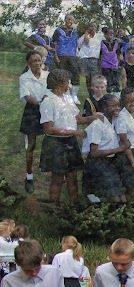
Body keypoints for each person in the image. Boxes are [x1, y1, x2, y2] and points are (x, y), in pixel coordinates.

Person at [40, 69, 93, 204]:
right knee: (57, 178)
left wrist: (95, 117)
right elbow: (49, 129)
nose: (70, 84)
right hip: (55, 143)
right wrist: (75, 133)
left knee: (72, 176)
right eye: (68, 81)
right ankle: (53, 209)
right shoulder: (48, 101)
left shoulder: (68, 98)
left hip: (70, 141)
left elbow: (79, 119)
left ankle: (74, 206)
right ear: (60, 83)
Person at [82, 94, 130, 202]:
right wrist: (119, 149)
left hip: (110, 163)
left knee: (122, 197)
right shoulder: (97, 125)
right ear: (104, 108)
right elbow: (94, 152)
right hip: (97, 164)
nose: (117, 108)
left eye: (118, 105)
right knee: (115, 199)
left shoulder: (114, 121)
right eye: (113, 106)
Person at [19, 50, 49, 194]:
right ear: (28, 64)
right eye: (33, 61)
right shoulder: (24, 78)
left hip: (48, 111)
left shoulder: (48, 75)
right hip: (32, 111)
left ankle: (55, 171)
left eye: (39, 60)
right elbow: (27, 96)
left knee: (52, 142)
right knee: (31, 146)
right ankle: (29, 176)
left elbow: (53, 91)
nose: (37, 63)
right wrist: (40, 103)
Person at [52, 14, 80, 99]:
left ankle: (74, 95)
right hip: (61, 56)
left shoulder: (75, 31)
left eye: (72, 20)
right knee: (62, 75)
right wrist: (56, 56)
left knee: (75, 75)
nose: (70, 21)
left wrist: (78, 54)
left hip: (73, 56)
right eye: (69, 19)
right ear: (65, 20)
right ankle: (64, 94)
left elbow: (77, 43)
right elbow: (54, 44)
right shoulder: (58, 30)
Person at [78, 23, 101, 92]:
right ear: (88, 27)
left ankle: (94, 92)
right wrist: (85, 34)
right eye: (91, 26)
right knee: (87, 77)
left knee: (94, 77)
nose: (93, 28)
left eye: (94, 26)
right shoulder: (83, 36)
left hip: (94, 59)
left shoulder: (99, 36)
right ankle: (90, 92)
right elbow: (78, 45)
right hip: (84, 58)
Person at [99, 27, 121, 92]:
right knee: (108, 83)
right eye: (109, 33)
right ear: (105, 35)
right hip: (105, 66)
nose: (111, 35)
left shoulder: (116, 43)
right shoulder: (101, 43)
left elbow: (119, 54)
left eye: (112, 34)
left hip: (114, 65)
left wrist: (119, 63)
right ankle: (108, 98)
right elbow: (99, 54)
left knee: (116, 83)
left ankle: (117, 98)